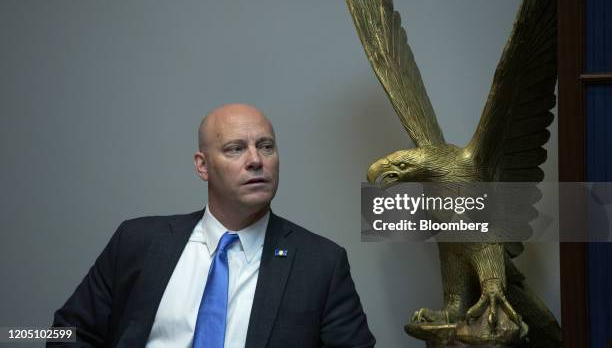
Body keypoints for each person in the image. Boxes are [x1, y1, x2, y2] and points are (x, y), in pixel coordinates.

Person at [49, 103, 375, 348]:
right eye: (235, 149)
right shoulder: (137, 241)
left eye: (266, 146)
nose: (255, 160)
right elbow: (69, 331)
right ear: (202, 166)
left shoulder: (320, 263)